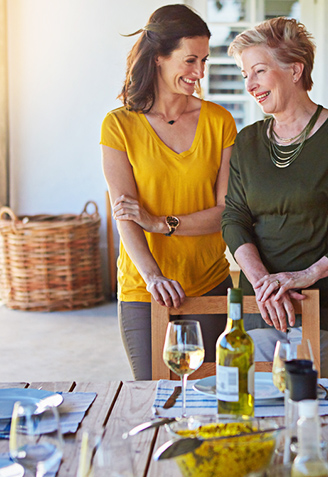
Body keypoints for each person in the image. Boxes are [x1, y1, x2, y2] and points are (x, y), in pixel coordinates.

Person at [221, 17, 328, 378]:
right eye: (244, 73)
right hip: (262, 305)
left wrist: (306, 275)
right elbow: (234, 219)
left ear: (295, 70)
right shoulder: (248, 142)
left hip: (324, 302)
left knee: (313, 411)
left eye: (259, 71)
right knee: (262, 412)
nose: (249, 84)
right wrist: (265, 283)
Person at [100, 4, 237, 380]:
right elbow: (125, 215)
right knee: (152, 397)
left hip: (207, 281)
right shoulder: (119, 126)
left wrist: (161, 223)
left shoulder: (219, 122)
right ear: (159, 57)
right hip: (145, 288)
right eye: (190, 60)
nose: (200, 73)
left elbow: (225, 211)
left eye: (204, 60)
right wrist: (153, 277)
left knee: (205, 399)